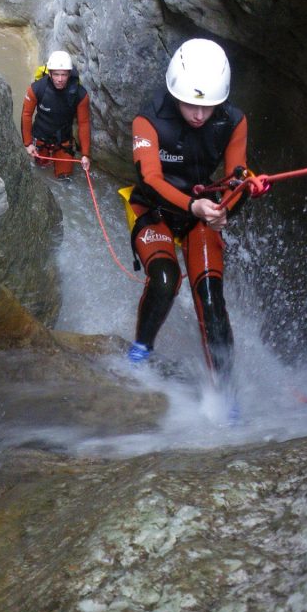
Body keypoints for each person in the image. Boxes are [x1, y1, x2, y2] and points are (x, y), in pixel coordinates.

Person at [126, 38, 251, 380]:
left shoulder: (233, 121)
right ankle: (139, 352)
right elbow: (150, 179)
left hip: (200, 213)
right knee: (166, 279)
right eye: (190, 105)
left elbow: (236, 177)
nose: (199, 115)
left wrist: (227, 207)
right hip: (153, 209)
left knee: (210, 296)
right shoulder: (148, 119)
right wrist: (192, 206)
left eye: (208, 107)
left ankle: (224, 392)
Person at [21, 50, 91, 177]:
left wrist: (85, 155)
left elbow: (84, 123)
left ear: (69, 74)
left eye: (64, 75)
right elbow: (26, 115)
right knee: (40, 169)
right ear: (50, 73)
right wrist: (28, 143)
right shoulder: (37, 89)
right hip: (41, 138)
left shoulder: (80, 95)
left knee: (65, 176)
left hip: (64, 141)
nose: (60, 79)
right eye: (56, 74)